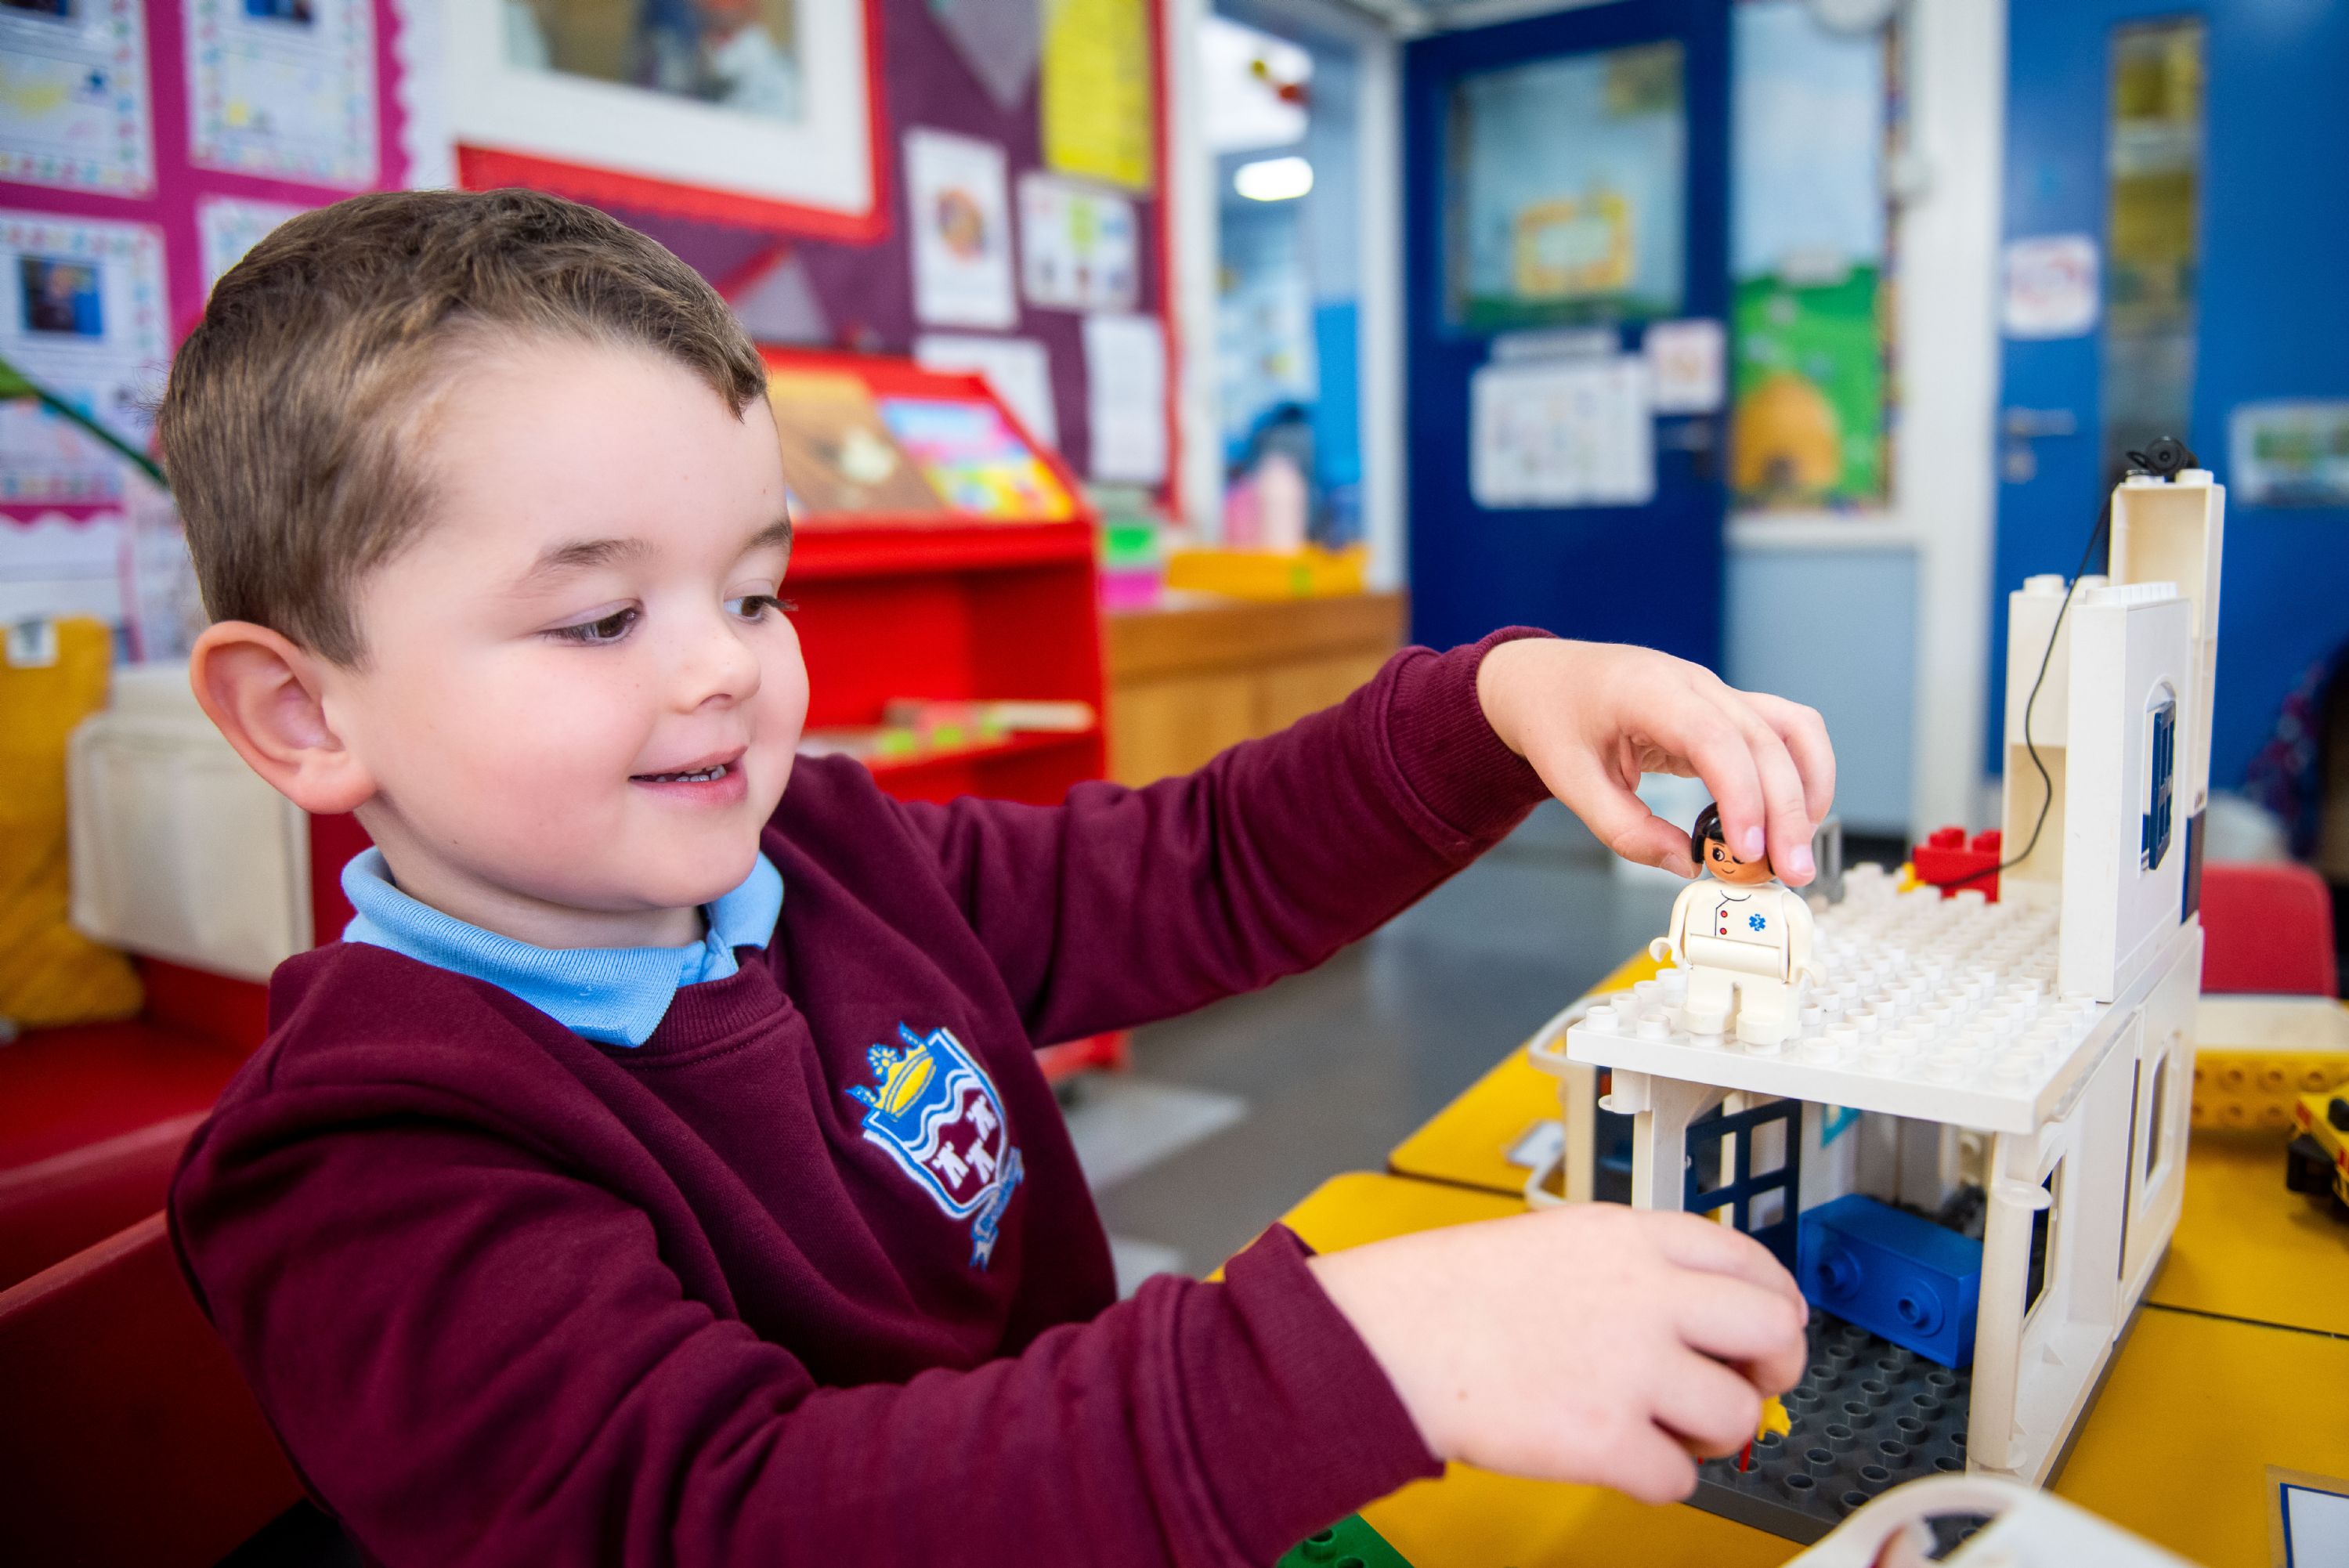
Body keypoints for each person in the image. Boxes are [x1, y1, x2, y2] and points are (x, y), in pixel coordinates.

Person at [163, 189, 1834, 1568]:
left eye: (754, 593)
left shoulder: (822, 850)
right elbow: (722, 1515)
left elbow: (1201, 866)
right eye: (600, 617)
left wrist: (1488, 708)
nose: (723, 673)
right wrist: (1351, 1357)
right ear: (301, 710)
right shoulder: (360, 1153)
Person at [1650, 800, 1823, 1048]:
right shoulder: (1699, 893)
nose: (1728, 863)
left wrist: (1800, 963)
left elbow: (1800, 928)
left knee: (1762, 1006)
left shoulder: (1782, 902)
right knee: (1706, 1003)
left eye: (1742, 856)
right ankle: (1708, 1016)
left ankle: (1763, 1018)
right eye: (1718, 853)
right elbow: (1680, 917)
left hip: (1766, 967)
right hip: (1707, 960)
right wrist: (1673, 943)